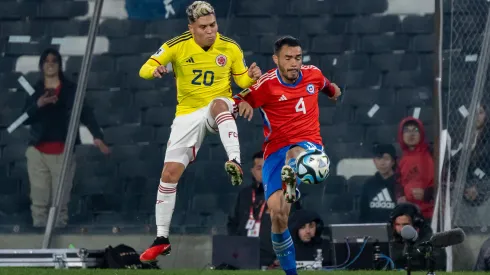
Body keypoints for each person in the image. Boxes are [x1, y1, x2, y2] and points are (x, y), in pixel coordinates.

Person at [138, 1, 262, 262]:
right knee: (169, 175)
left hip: (219, 106)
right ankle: (162, 238)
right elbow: (144, 69)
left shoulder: (229, 47)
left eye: (213, 25)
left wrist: (251, 77)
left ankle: (235, 161)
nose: (211, 31)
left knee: (219, 103)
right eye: (204, 27)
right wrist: (156, 69)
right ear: (191, 28)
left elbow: (241, 80)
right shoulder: (176, 45)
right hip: (187, 114)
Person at [234, 36, 341, 275]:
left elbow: (329, 87)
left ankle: (294, 174)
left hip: (309, 145)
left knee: (298, 153)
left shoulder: (312, 74)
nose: (294, 63)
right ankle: (290, 273)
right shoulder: (266, 84)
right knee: (277, 215)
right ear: (276, 60)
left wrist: (334, 92)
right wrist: (243, 103)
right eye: (288, 58)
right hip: (274, 152)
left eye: (298, 58)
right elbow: (239, 100)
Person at [23, 48, 109, 228]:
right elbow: (25, 117)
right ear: (41, 65)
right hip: (38, 150)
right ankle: (39, 237)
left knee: (60, 201)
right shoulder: (36, 90)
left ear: (59, 65)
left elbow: (85, 113)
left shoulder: (70, 89)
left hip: (64, 150)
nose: (50, 64)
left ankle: (59, 234)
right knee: (39, 198)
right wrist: (39, 104)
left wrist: (97, 136)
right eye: (46, 61)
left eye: (54, 60)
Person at [396, 117, 435, 221]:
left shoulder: (433, 154)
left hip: (431, 214)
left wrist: (426, 194)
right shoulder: (400, 160)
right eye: (407, 131)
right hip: (408, 215)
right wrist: (400, 197)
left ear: (421, 133)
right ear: (401, 135)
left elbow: (445, 181)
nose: (411, 134)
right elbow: (397, 183)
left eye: (415, 130)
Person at [389, 203, 446, 271]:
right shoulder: (394, 241)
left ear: (416, 224)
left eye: (405, 224)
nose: (401, 229)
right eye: (398, 224)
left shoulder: (433, 243)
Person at [359, 144, 397, 223]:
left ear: (393, 161)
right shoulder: (368, 184)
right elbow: (363, 214)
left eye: (386, 159)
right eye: (379, 158)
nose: (382, 163)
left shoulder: (400, 183)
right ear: (374, 161)